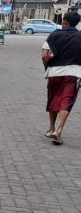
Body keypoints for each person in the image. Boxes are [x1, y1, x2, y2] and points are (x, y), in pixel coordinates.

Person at [42, 11, 81, 145]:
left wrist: (47, 67)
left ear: (64, 21)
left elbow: (45, 55)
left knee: (53, 99)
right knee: (66, 101)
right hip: (73, 73)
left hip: (54, 73)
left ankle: (51, 128)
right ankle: (58, 131)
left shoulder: (54, 35)